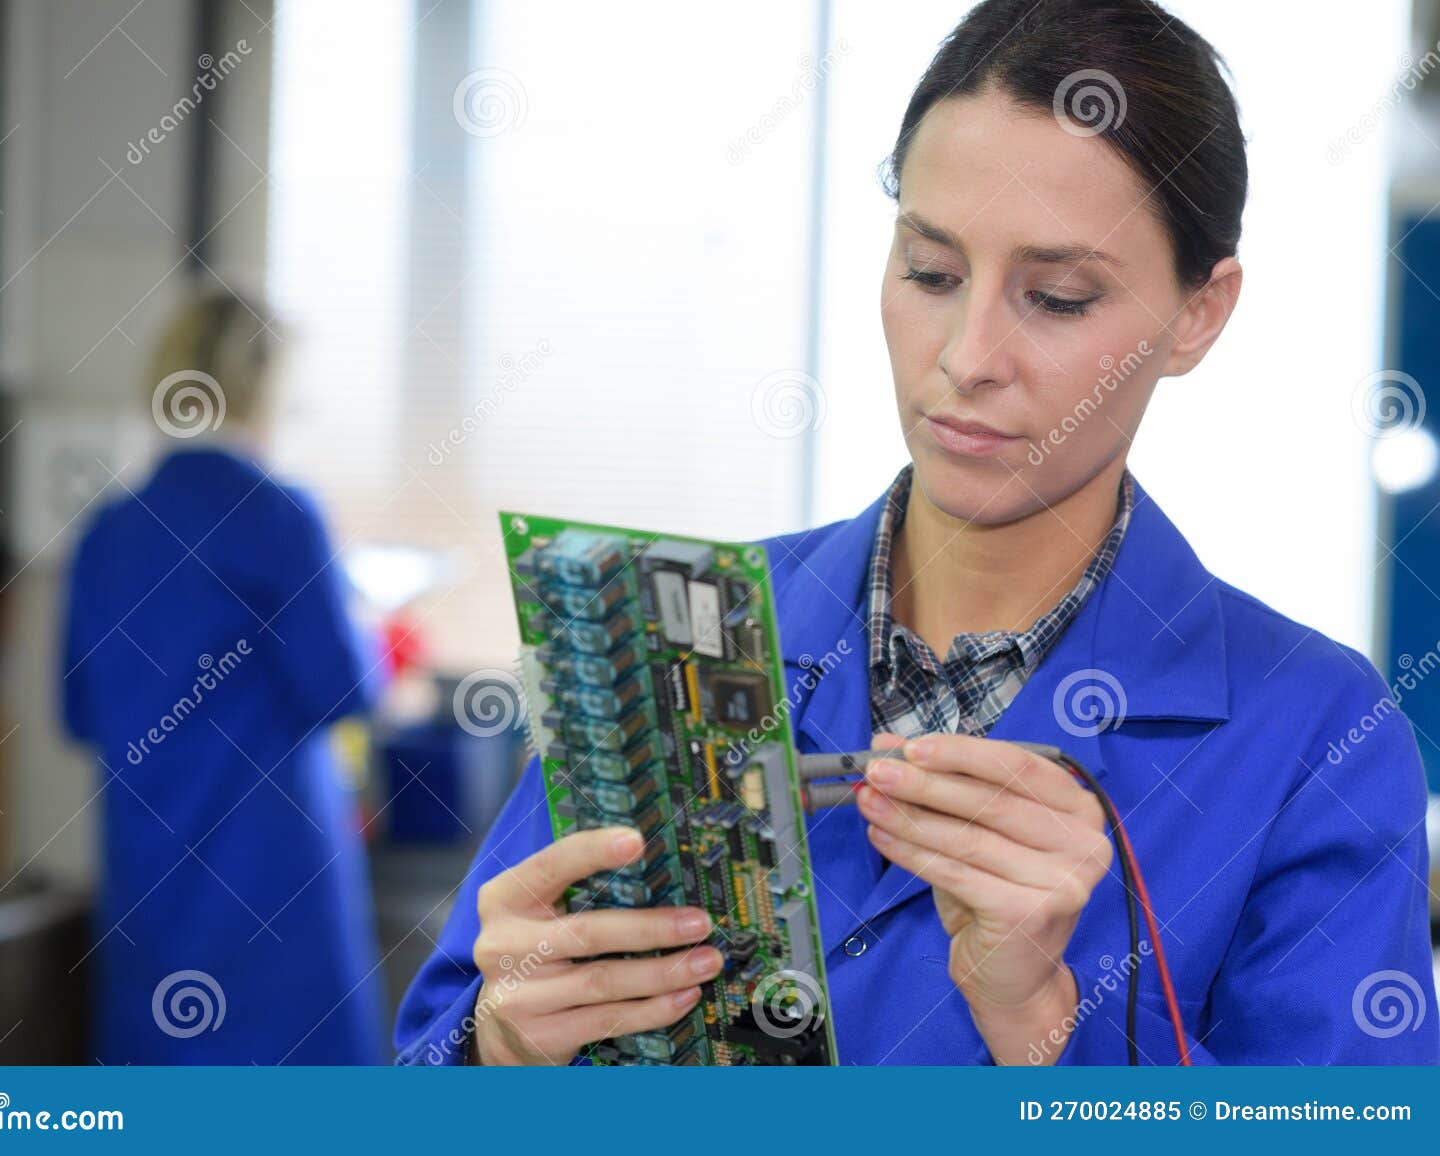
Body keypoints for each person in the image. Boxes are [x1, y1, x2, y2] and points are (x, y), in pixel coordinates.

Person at [393, 0, 1439, 1066]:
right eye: (931, 273)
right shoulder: (666, 634)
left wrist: (1045, 1022)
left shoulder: (1314, 737)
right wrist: (496, 1052)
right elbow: (429, 1067)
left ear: (1198, 314)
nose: (968, 356)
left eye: (1058, 297)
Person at [60, 288, 390, 1064]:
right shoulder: (280, 517)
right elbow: (346, 688)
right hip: (272, 886)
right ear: (267, 387)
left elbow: (77, 710)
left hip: (147, 880)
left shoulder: (109, 531)